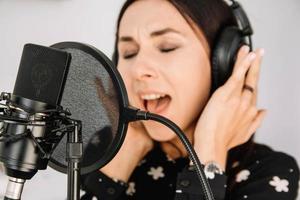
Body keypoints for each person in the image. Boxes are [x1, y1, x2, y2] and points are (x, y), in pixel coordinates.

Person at [80, 0, 300, 199]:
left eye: (167, 47)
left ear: (223, 61)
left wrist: (209, 156)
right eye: (128, 53)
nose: (138, 69)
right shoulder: (104, 148)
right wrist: (119, 163)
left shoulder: (268, 172)